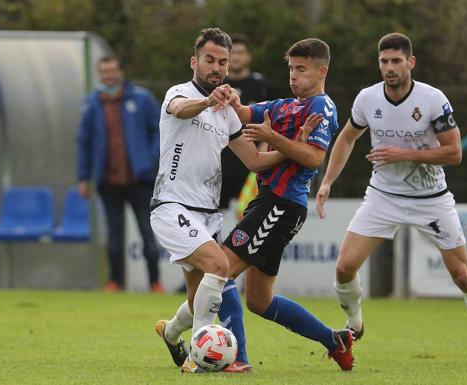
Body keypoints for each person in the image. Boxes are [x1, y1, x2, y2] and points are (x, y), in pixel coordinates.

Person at [316, 32, 467, 362]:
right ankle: (354, 323)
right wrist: (327, 182)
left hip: (430, 198)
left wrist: (403, 154)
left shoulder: (432, 99)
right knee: (344, 267)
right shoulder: (367, 99)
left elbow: (454, 153)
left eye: (396, 61)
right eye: (384, 61)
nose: (389, 68)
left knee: (462, 275)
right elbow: (346, 139)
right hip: (383, 196)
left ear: (411, 63)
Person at [151, 28, 303, 374]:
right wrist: (207, 101)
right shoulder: (180, 93)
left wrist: (293, 145)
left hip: (207, 213)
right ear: (195, 62)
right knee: (220, 267)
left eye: (223, 62)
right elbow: (180, 109)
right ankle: (202, 361)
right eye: (209, 60)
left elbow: (255, 161)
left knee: (199, 296)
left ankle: (172, 332)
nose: (217, 67)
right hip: (171, 206)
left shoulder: (228, 113)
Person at [218, 37, 355, 371]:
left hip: (281, 205)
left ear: (322, 71)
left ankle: (236, 358)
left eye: (302, 69)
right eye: (291, 68)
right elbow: (245, 114)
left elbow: (313, 157)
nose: (294, 76)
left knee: (218, 272)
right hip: (268, 202)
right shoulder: (285, 105)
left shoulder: (321, 107)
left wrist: (272, 138)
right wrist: (232, 98)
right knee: (259, 301)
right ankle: (335, 341)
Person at [77, 54, 164, 293]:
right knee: (114, 236)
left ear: (121, 72)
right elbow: (83, 142)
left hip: (140, 179)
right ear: (99, 75)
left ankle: (155, 282)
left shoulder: (141, 98)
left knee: (148, 232)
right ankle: (115, 282)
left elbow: (160, 130)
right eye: (104, 72)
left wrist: (150, 159)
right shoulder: (92, 104)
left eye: (112, 71)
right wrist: (83, 177)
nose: (109, 76)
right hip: (108, 180)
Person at [219, 34, 271, 210]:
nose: (237, 57)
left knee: (250, 210)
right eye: (233, 53)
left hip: (251, 158)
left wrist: (264, 145)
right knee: (214, 212)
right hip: (221, 158)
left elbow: (272, 119)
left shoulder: (261, 85)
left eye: (241, 53)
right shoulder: (218, 85)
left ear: (248, 56)